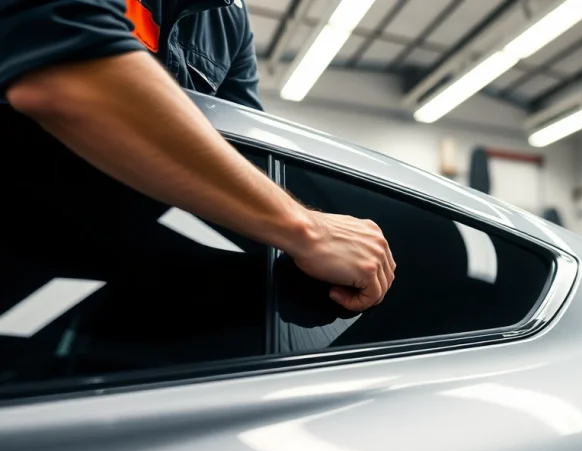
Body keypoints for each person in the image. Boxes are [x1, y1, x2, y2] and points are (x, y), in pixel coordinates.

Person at [0, 0, 395, 312]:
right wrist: (308, 229)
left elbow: (246, 155)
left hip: (77, 296)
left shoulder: (228, 19)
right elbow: (63, 76)